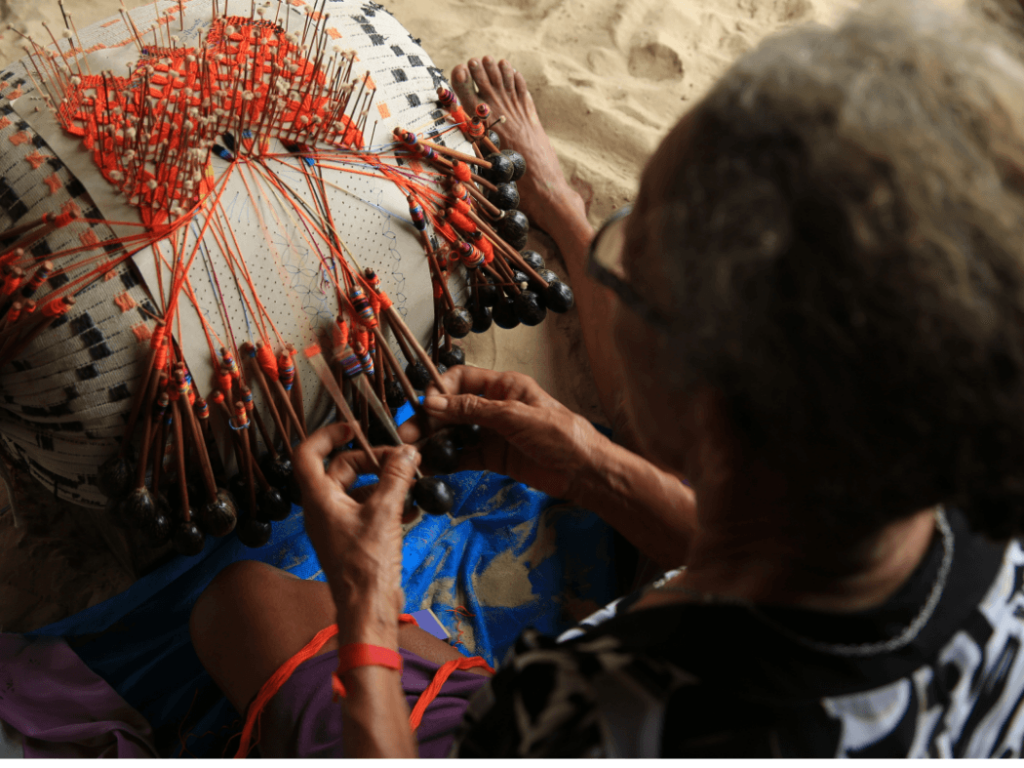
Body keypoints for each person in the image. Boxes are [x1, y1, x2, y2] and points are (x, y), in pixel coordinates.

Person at [190, 0, 1024, 756]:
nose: (616, 277)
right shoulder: (957, 502)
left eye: (628, 268)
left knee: (238, 603)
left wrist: (369, 610)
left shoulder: (605, 714)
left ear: (704, 410)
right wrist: (591, 461)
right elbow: (802, 563)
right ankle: (563, 203)